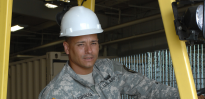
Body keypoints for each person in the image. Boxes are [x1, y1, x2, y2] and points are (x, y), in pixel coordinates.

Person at [38, 6, 205, 99]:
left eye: (94, 43)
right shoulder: (55, 93)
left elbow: (145, 87)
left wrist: (187, 96)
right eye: (81, 44)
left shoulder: (109, 69)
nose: (89, 50)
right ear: (67, 48)